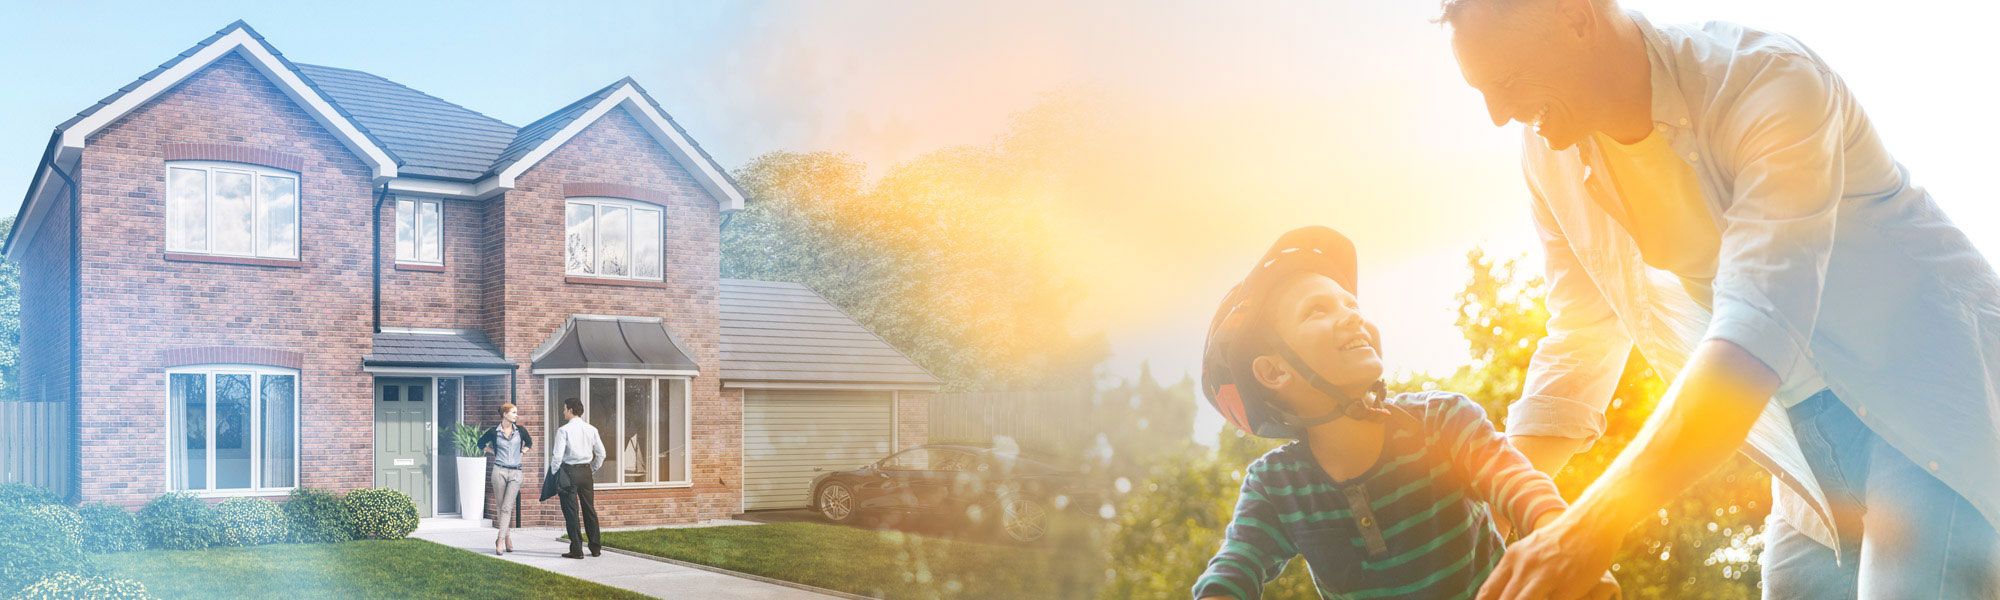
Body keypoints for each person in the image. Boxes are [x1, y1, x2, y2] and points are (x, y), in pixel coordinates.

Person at [1437, 0, 2000, 597]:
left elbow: (1758, 327)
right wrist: (1497, 502)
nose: (1498, 115)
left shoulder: (1768, 79)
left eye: (1507, 80)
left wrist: (1587, 531)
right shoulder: (1547, 153)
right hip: (1801, 443)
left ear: (1576, 16)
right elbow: (1583, 332)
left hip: (1927, 396)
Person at [1192, 226, 1617, 600]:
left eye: (1350, 305)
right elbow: (1236, 566)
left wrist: (1564, 538)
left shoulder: (1442, 420)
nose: (1352, 316)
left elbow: (1518, 485)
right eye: (1317, 310)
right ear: (1273, 371)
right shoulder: (1275, 487)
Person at [548, 396, 605, 559]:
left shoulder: (563, 430)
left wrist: (554, 474)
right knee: (589, 510)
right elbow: (602, 453)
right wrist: (591, 469)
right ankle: (595, 548)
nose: (563, 411)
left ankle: (577, 549)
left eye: (564, 408)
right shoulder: (592, 429)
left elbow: (557, 457)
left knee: (571, 512)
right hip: (586, 473)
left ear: (571, 410)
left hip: (569, 472)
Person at [477, 402, 532, 556]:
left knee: (507, 507)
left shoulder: (520, 431)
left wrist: (524, 451)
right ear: (505, 414)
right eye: (513, 412)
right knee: (501, 507)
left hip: (515, 473)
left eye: (516, 412)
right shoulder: (494, 432)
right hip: (499, 471)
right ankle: (507, 537)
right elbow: (480, 443)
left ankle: (499, 540)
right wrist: (492, 451)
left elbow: (530, 442)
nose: (516, 415)